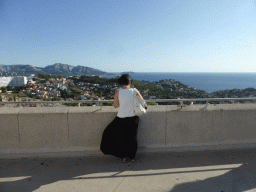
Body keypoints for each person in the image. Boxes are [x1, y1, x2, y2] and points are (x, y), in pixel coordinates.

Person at [100, 74, 147, 163]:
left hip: (121, 118)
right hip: (133, 118)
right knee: (132, 138)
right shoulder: (134, 90)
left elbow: (115, 106)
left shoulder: (118, 92)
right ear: (130, 82)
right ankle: (132, 157)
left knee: (121, 138)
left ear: (121, 83)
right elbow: (142, 101)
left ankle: (123, 157)